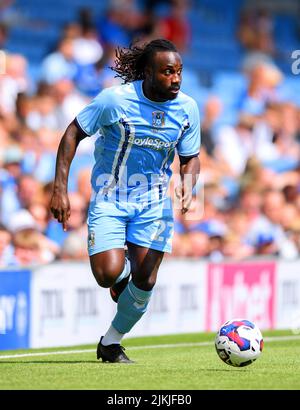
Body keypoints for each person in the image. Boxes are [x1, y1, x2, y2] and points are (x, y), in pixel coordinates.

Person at [50, 38, 200, 363]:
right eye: (167, 72)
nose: (175, 79)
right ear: (147, 72)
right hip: (110, 196)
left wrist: (188, 185)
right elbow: (73, 132)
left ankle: (111, 342)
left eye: (179, 71)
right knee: (107, 275)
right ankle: (121, 278)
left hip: (154, 202)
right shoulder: (114, 100)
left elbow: (190, 156)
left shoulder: (187, 108)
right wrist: (60, 188)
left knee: (146, 278)